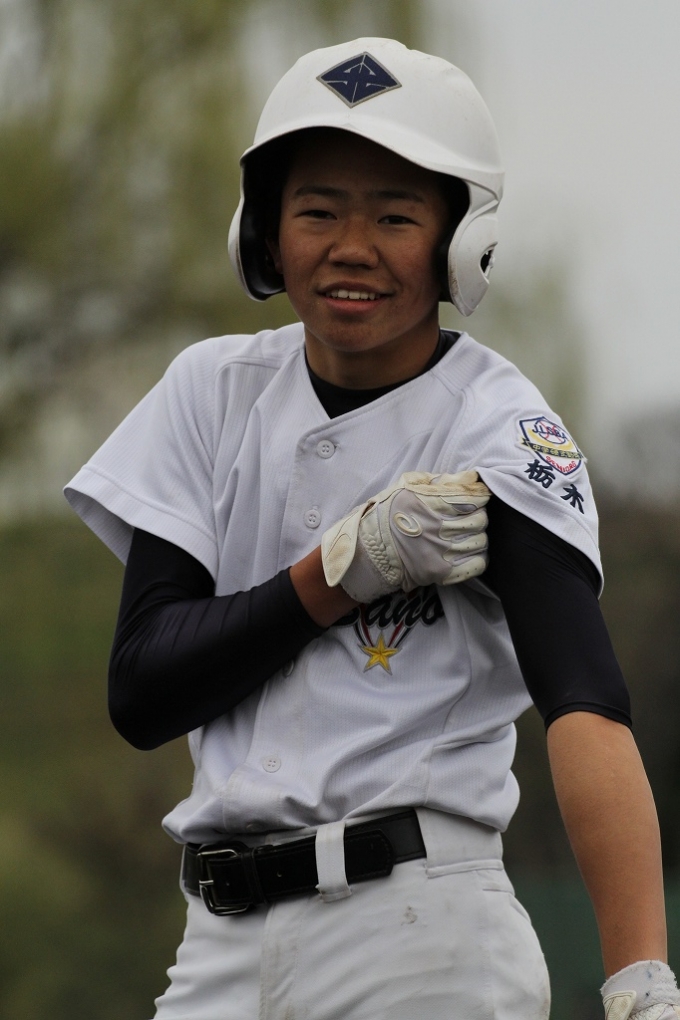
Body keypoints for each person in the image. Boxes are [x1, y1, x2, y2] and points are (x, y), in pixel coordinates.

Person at [65, 37, 679, 1020]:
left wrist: (639, 975)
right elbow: (144, 691)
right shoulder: (211, 391)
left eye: (394, 216)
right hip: (218, 943)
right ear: (266, 232)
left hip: (417, 929)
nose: (351, 246)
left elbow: (584, 704)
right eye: (317, 211)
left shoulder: (497, 427)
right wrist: (336, 574)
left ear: (457, 242)